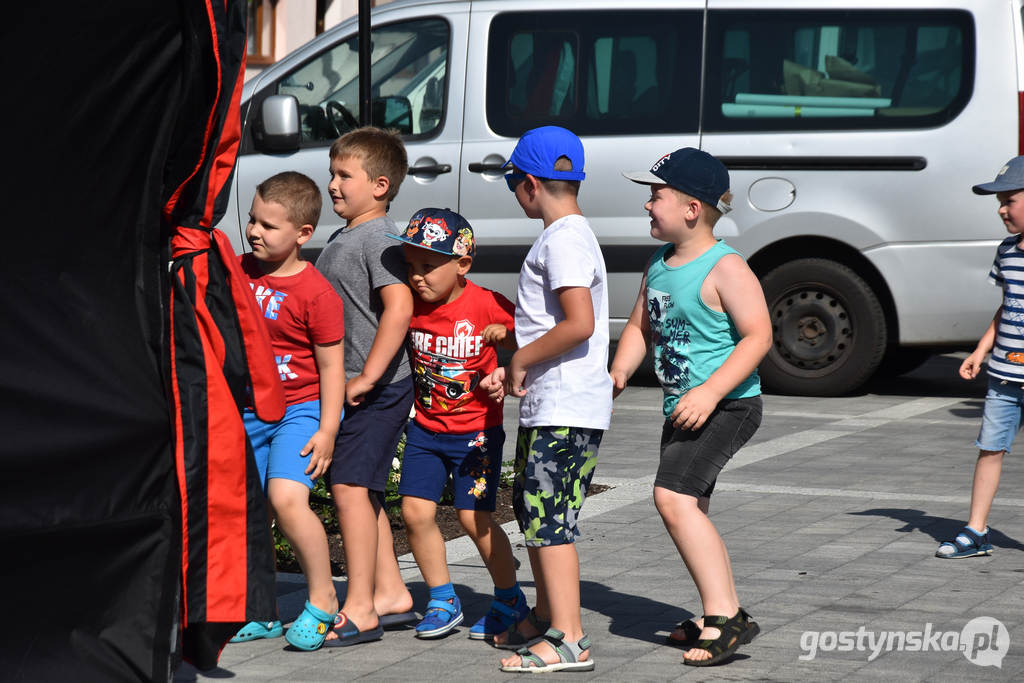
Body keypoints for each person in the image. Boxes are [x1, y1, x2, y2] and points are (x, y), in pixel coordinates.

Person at [609, 148, 772, 666]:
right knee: (690, 506)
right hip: (684, 408)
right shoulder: (659, 264)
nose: (647, 205)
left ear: (692, 209)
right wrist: (618, 371)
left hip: (727, 406)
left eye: (655, 196)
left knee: (672, 499)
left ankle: (725, 617)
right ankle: (717, 613)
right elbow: (640, 326)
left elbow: (758, 336)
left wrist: (710, 392)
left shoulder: (726, 266)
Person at [480, 126, 613, 673]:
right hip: (555, 406)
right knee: (537, 516)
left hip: (564, 408)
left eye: (514, 182)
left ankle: (570, 638)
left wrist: (520, 359)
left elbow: (578, 324)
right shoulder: (569, 236)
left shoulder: (562, 239)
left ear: (529, 183)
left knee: (549, 522)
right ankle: (544, 615)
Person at [387, 208, 529, 641]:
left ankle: (508, 599)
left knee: (474, 518)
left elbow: (529, 335)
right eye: (411, 267)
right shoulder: (408, 306)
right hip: (426, 431)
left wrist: (506, 342)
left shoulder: (485, 302)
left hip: (477, 436)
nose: (417, 277)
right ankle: (443, 599)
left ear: (462, 264)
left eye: (429, 267)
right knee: (414, 513)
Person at [231, 171, 345, 651]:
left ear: (302, 234)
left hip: (299, 411)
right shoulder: (236, 271)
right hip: (245, 410)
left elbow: (332, 369)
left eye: (268, 226)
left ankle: (322, 600)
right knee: (244, 510)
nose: (254, 231)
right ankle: (261, 609)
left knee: (285, 499)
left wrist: (328, 430)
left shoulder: (317, 294)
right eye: (253, 220)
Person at [315, 127, 417, 646]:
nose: (332, 184)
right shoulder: (349, 234)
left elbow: (399, 308)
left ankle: (360, 609)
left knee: (349, 488)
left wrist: (370, 376)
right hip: (356, 386)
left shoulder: (378, 238)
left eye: (343, 175)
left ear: (380, 185)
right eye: (332, 173)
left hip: (378, 389)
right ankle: (392, 594)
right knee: (363, 490)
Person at [936, 156, 1024, 559]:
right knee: (990, 449)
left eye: (1010, 199)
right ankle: (976, 531)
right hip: (1004, 375)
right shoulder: (1006, 251)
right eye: (999, 202)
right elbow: (1007, 306)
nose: (1002, 209)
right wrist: (981, 349)